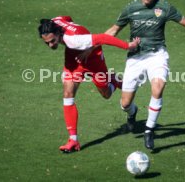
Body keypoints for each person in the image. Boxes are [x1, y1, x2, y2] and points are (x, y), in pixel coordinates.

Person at [105, 0, 185, 150]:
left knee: (158, 86)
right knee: (125, 103)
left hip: (157, 55)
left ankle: (149, 130)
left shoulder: (164, 7)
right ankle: (132, 114)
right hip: (135, 58)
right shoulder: (130, 8)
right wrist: (95, 43)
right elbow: (114, 30)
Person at [38, 16, 140, 153]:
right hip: (73, 58)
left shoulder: (74, 40)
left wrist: (128, 45)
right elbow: (66, 18)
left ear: (58, 33)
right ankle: (73, 140)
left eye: (52, 41)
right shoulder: (54, 22)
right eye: (47, 43)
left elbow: (103, 38)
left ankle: (113, 81)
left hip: (93, 58)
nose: (51, 45)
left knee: (106, 94)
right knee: (67, 94)